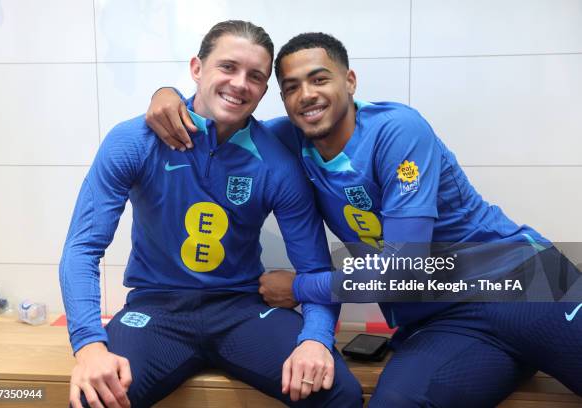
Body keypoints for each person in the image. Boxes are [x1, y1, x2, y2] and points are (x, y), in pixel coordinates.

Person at [146, 32, 582, 407]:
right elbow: (220, 120)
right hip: (444, 321)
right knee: (395, 401)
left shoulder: (398, 130)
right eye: (292, 86)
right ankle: (528, 355)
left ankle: (539, 345)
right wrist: (165, 95)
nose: (307, 95)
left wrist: (298, 286)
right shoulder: (285, 139)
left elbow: (403, 270)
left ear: (349, 81)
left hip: (525, 282)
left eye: (320, 79)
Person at [60, 22, 363, 408]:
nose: (240, 83)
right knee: (93, 398)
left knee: (338, 391)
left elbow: (315, 268)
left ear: (264, 92)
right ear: (196, 68)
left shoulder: (277, 162)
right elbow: (82, 249)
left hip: (242, 310)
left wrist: (317, 339)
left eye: (255, 76)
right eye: (228, 67)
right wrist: (88, 345)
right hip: (156, 311)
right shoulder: (134, 141)